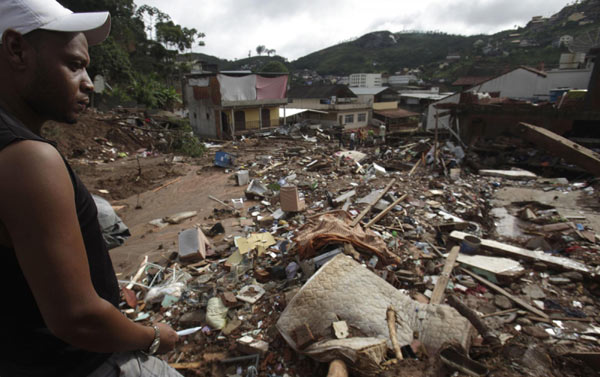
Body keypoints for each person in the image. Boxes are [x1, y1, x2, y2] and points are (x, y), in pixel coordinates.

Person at [0, 1, 181, 376]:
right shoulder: (27, 157)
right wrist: (152, 336)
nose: (87, 82)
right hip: (87, 364)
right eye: (74, 65)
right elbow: (78, 319)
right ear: (17, 50)